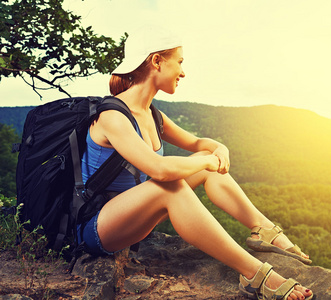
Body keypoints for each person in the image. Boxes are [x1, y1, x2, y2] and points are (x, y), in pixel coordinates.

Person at [77, 26, 314, 300]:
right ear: (156, 61)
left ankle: (263, 230)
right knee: (171, 185)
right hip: (96, 226)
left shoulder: (153, 116)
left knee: (199, 164)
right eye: (179, 62)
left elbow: (201, 145)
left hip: (132, 217)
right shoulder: (112, 116)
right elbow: (160, 170)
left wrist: (217, 150)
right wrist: (208, 163)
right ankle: (254, 274)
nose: (183, 71)